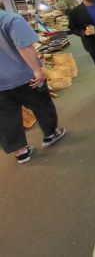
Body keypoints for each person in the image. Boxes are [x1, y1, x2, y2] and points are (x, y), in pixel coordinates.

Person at [0, 10, 65, 164]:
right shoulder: (11, 19)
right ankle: (50, 134)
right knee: (41, 104)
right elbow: (24, 47)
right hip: (23, 76)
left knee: (5, 117)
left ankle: (21, 151)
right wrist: (36, 70)